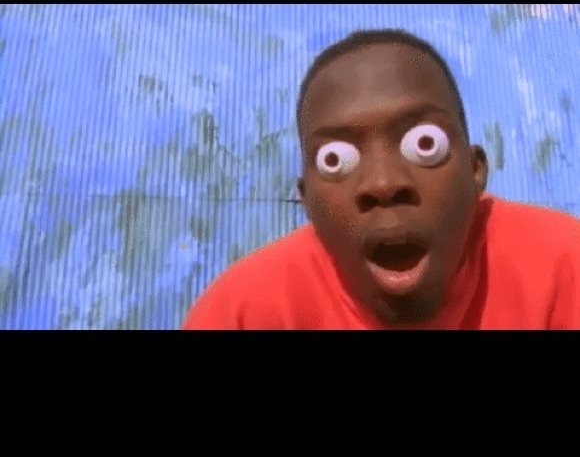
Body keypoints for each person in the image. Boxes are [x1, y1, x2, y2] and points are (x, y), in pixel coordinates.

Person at [182, 29, 580, 330]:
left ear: (475, 169)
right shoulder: (244, 313)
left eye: (425, 144)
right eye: (335, 160)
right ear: (305, 200)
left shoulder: (564, 269)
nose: (383, 183)